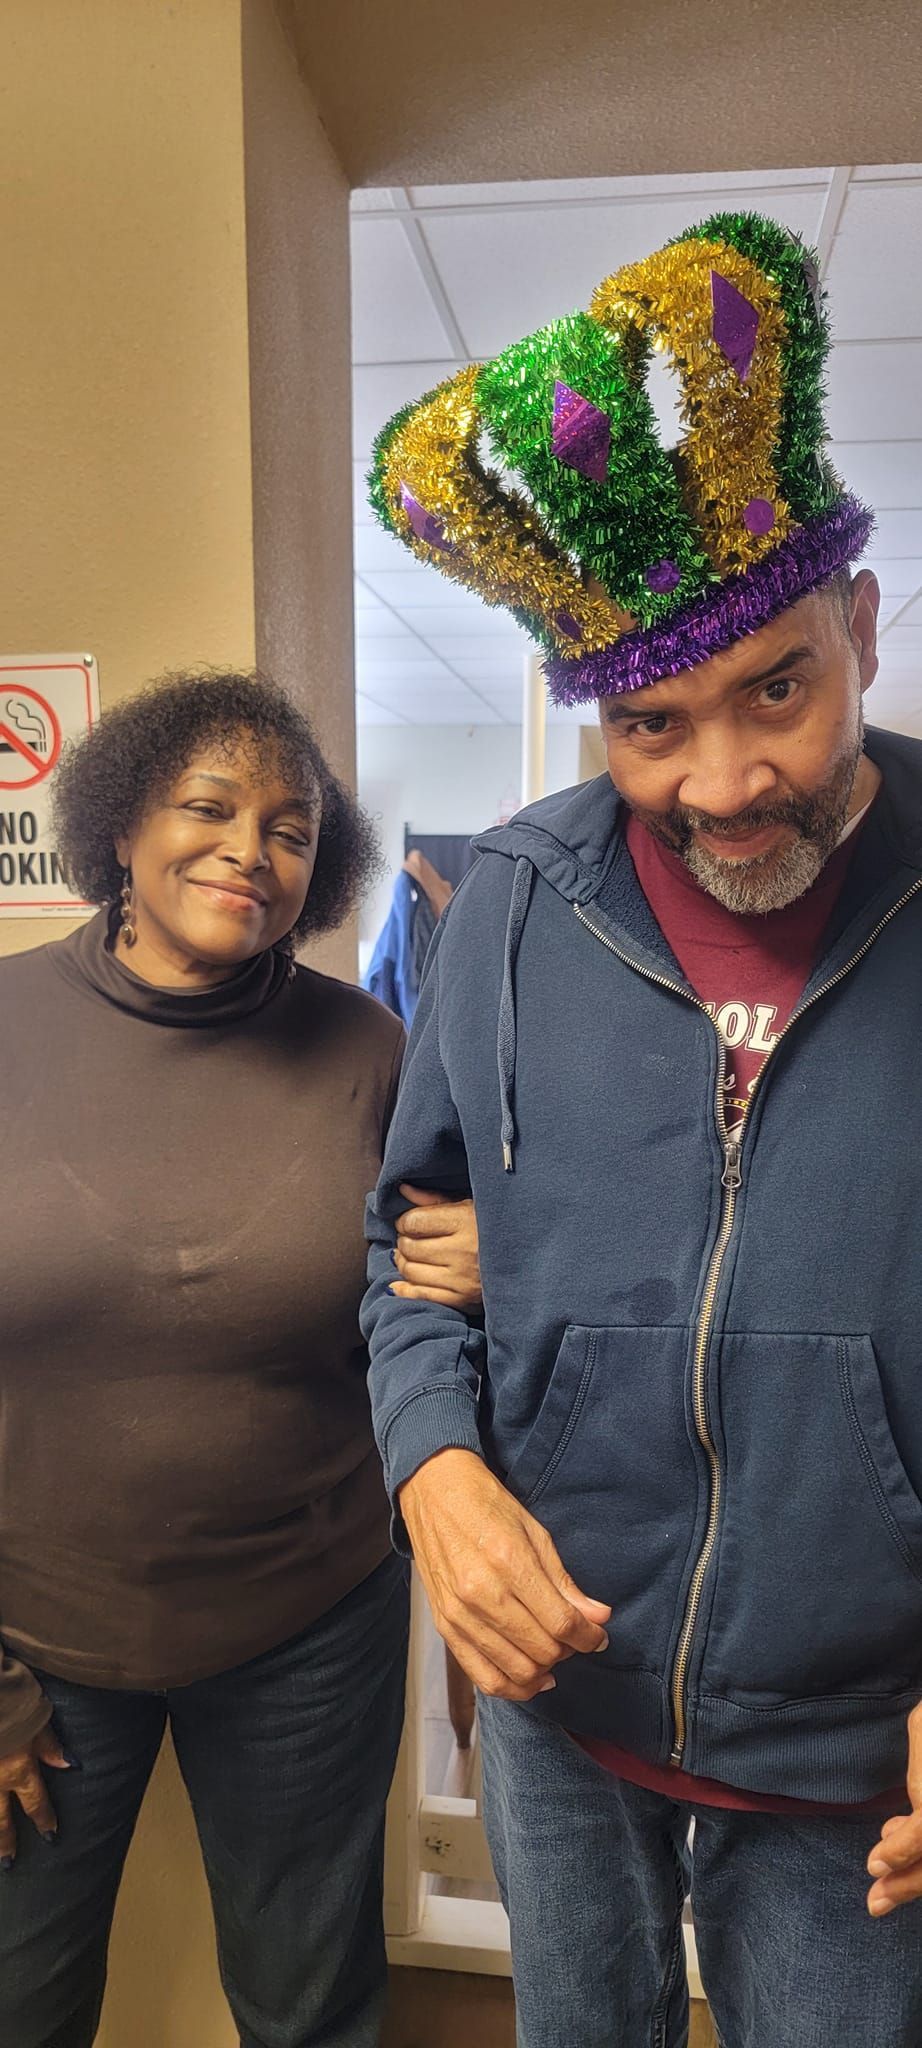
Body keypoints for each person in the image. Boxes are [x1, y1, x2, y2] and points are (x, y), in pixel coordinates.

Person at [363, 213, 922, 2045]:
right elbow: (408, 1255)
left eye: (777, 688)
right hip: (559, 1702)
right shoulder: (515, 897)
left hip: (856, 1747)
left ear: (859, 624)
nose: (723, 779)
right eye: (649, 725)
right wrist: (436, 1479)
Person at [0, 670, 479, 2048]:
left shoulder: (368, 1051)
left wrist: (481, 1273)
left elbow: (432, 1294)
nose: (248, 850)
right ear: (118, 833)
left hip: (304, 1629)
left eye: (289, 826)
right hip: (35, 1636)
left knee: (310, 2004)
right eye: (208, 807)